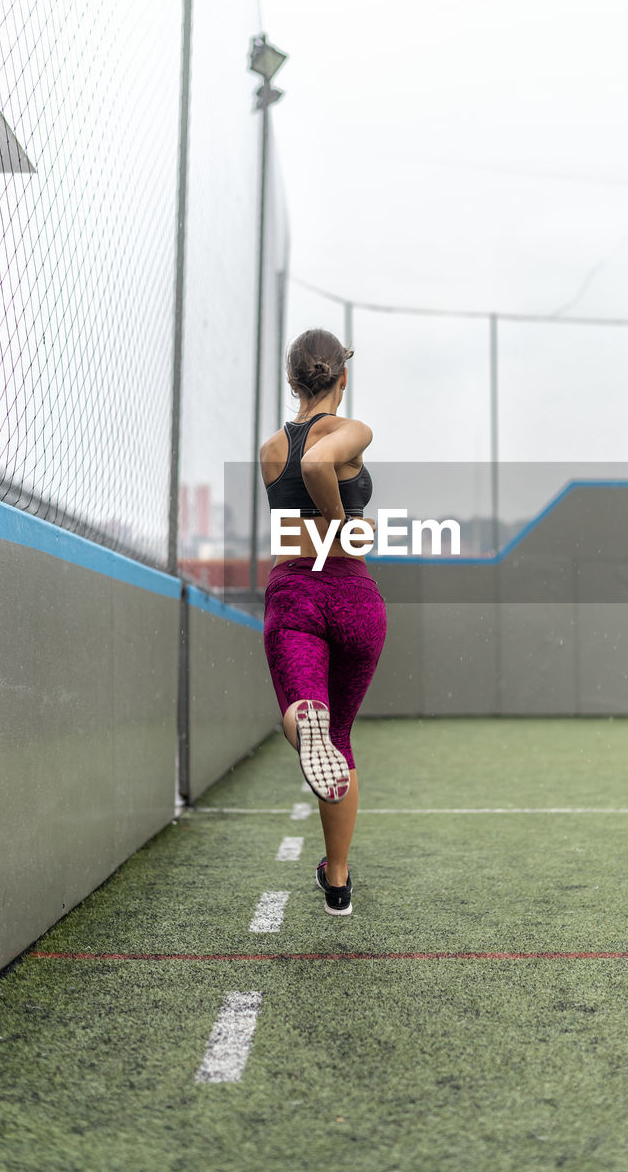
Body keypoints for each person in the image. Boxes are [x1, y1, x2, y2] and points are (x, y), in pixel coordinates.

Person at [259, 328, 387, 916]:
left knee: (307, 707)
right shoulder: (350, 431)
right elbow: (319, 462)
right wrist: (339, 521)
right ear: (342, 376)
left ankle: (301, 720)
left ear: (292, 382)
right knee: (339, 741)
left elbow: (301, 463)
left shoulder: (268, 450)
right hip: (355, 597)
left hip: (298, 595)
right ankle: (336, 879)